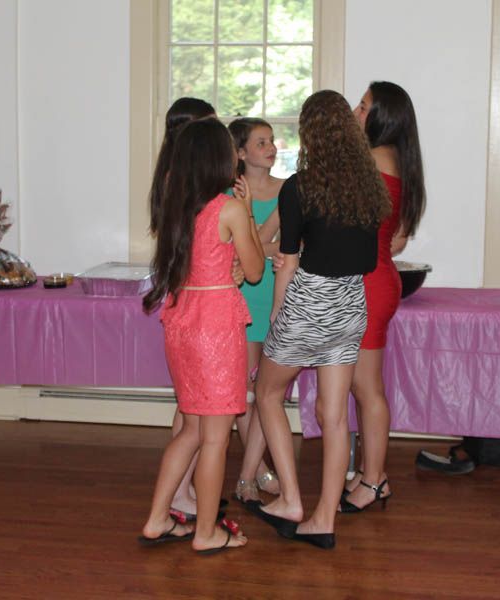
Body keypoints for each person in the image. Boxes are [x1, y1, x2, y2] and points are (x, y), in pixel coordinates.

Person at [250, 90, 389, 549]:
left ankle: (291, 500)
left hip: (311, 301)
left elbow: (288, 261)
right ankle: (323, 518)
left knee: (267, 393)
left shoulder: (299, 187)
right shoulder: (369, 186)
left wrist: (278, 315)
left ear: (310, 134)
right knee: (334, 413)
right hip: (352, 303)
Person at [138, 118, 264, 554]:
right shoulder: (228, 208)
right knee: (215, 437)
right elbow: (255, 270)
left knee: (191, 429)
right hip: (215, 328)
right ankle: (207, 532)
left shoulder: (178, 207)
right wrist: (248, 213)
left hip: (182, 322)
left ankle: (158, 517)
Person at [341, 81, 426, 512]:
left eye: (363, 106)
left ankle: (375, 480)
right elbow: (394, 238)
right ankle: (369, 472)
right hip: (375, 278)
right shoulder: (393, 159)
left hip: (368, 284)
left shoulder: (373, 160)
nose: (355, 112)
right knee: (363, 387)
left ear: (383, 117)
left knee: (367, 388)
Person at [228, 117, 284, 504]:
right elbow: (238, 247)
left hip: (277, 294)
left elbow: (283, 245)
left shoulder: (288, 189)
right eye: (261, 142)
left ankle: (249, 474)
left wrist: (261, 247)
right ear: (241, 152)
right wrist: (269, 247)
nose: (270, 147)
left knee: (270, 389)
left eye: (272, 140)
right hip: (245, 293)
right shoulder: (229, 194)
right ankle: (258, 470)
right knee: (247, 391)